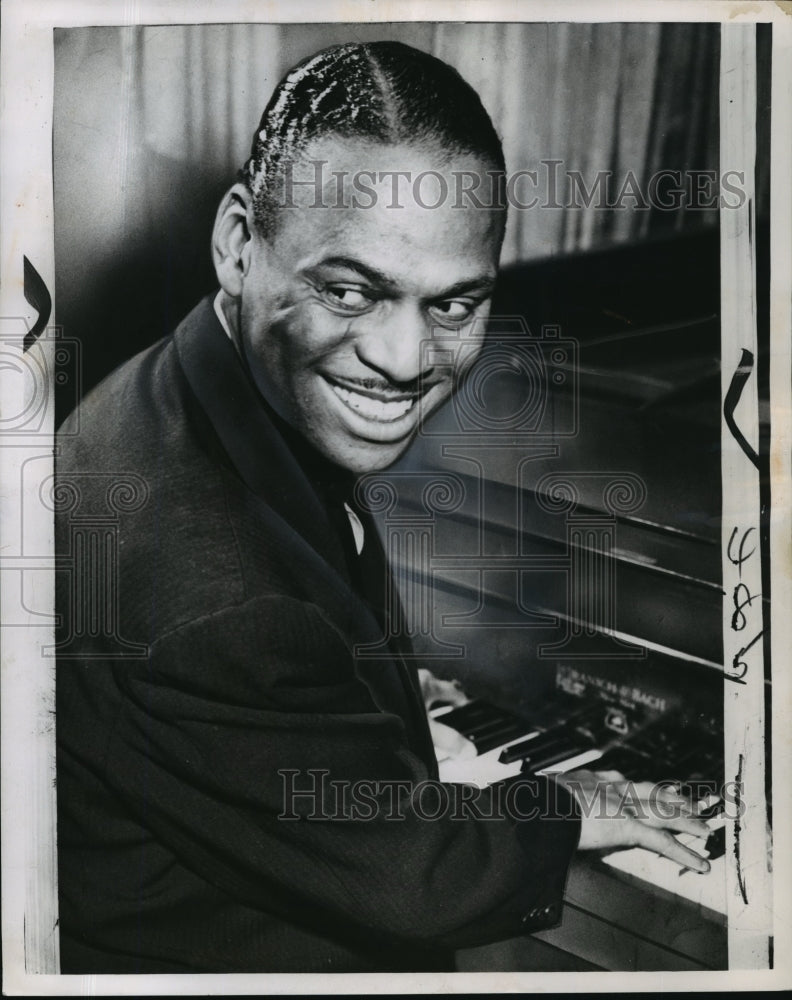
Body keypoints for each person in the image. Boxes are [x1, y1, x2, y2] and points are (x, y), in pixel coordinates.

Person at [55, 40, 710, 974]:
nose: (406, 362)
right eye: (352, 290)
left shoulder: (182, 390)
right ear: (239, 241)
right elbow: (412, 880)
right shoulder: (216, 588)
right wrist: (563, 804)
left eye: (455, 306)